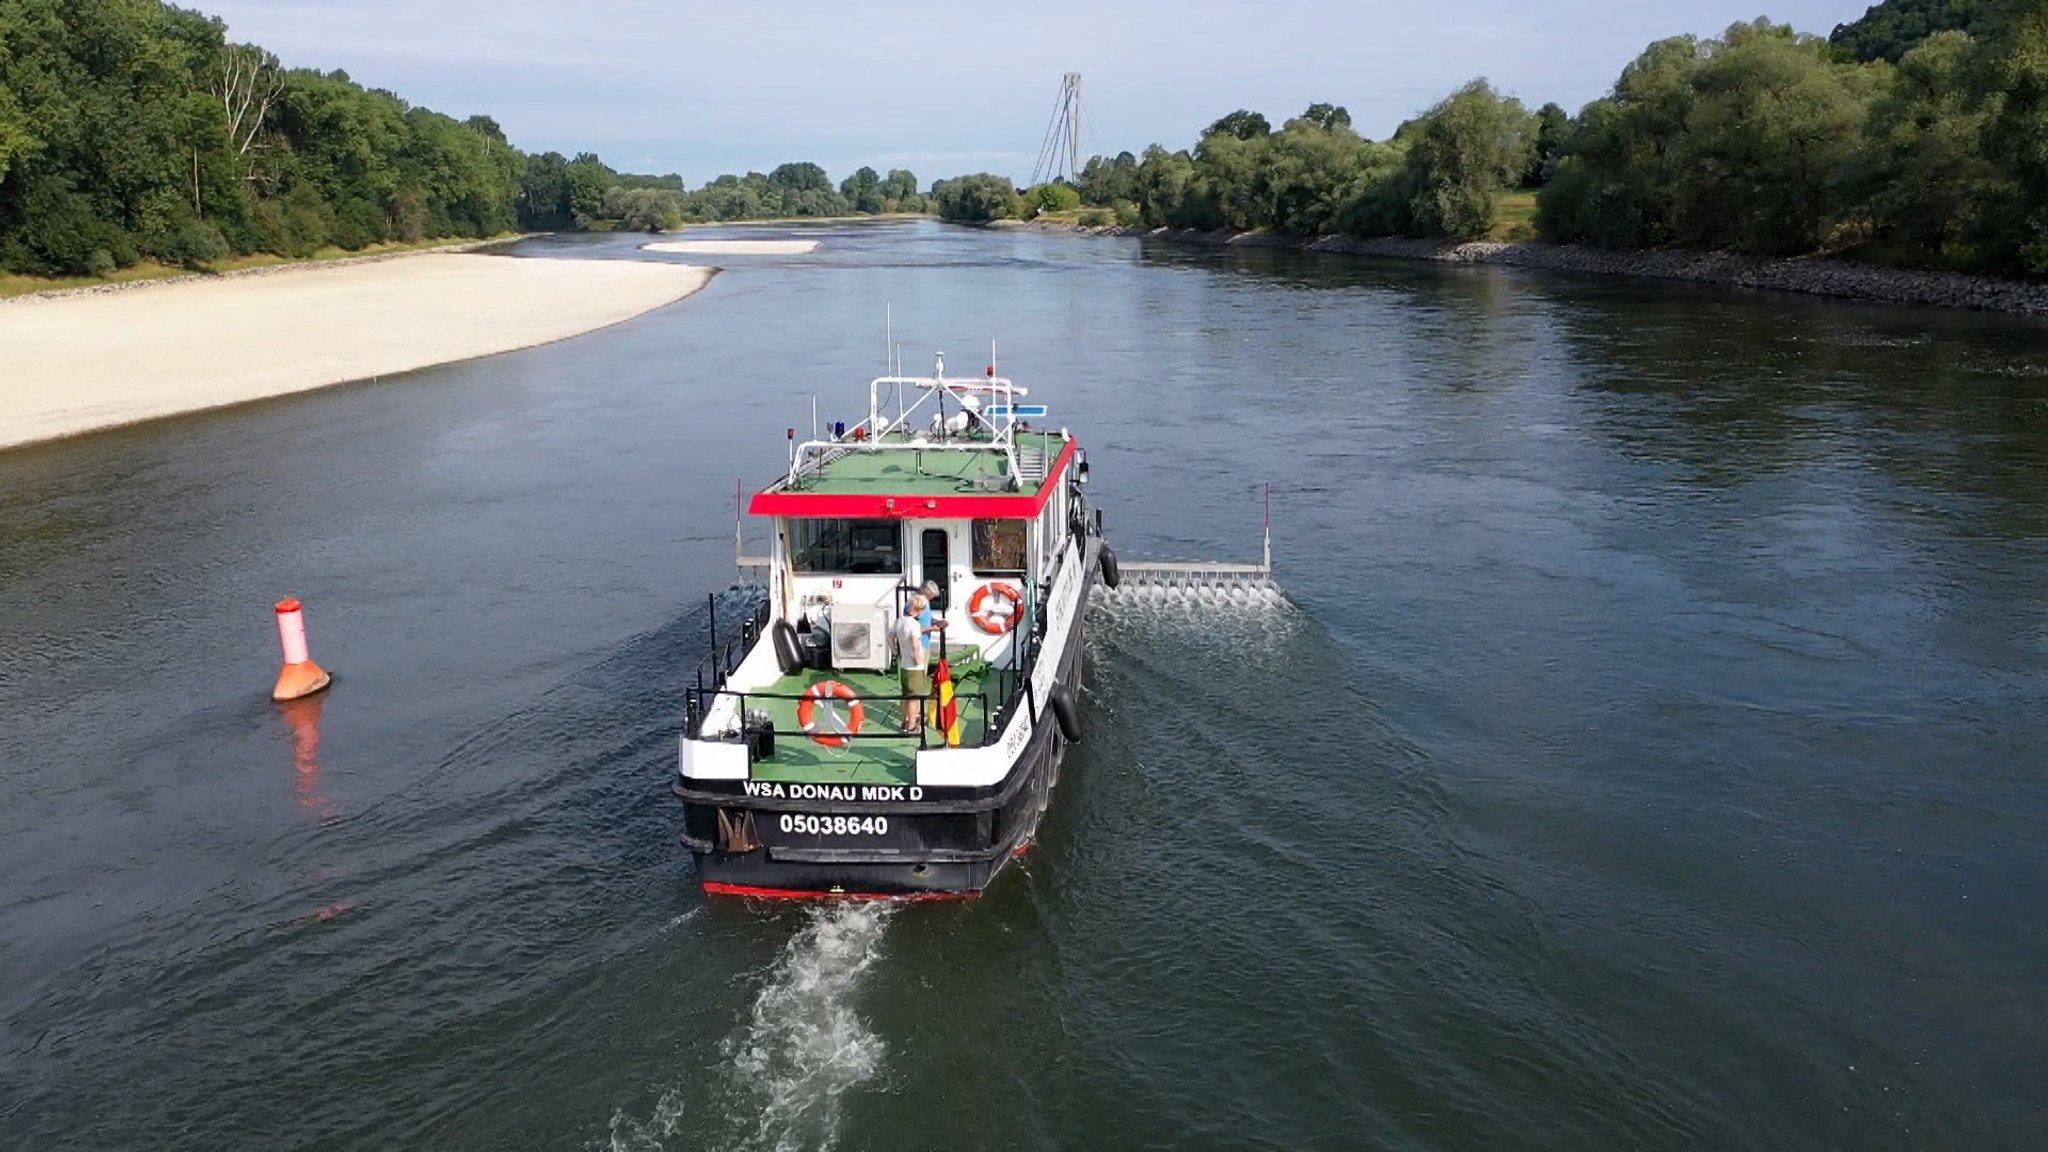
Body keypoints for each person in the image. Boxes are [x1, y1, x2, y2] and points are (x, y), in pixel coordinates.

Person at [893, 595, 930, 734]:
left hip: (904, 665)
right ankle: (912, 726)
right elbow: (915, 644)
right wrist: (918, 659)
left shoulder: (899, 621)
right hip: (914, 667)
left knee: (905, 695)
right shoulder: (914, 625)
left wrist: (895, 651)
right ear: (919, 610)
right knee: (914, 697)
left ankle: (905, 721)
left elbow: (890, 637)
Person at [917, 580, 947, 649]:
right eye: (930, 595)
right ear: (925, 590)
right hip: (917, 645)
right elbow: (911, 629)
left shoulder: (926, 602)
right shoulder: (914, 605)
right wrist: (931, 628)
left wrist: (937, 622)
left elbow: (926, 619)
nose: (931, 598)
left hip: (925, 643)